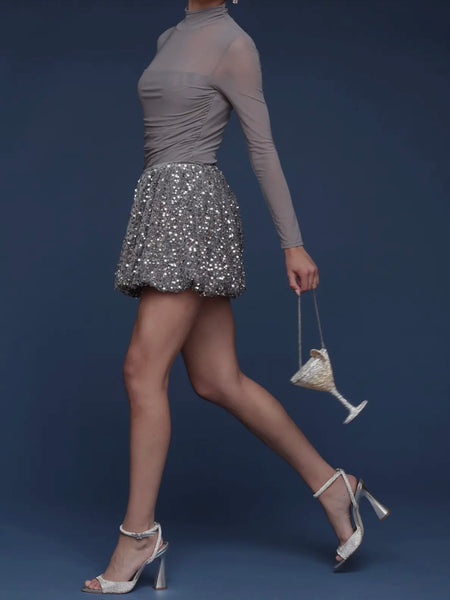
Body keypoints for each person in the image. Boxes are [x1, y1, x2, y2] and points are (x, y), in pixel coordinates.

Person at [82, 0, 389, 594]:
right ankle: (335, 486)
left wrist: (292, 243)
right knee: (218, 379)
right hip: (161, 203)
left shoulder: (234, 42)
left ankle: (139, 534)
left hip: (191, 211)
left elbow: (262, 147)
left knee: (142, 371)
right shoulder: (170, 35)